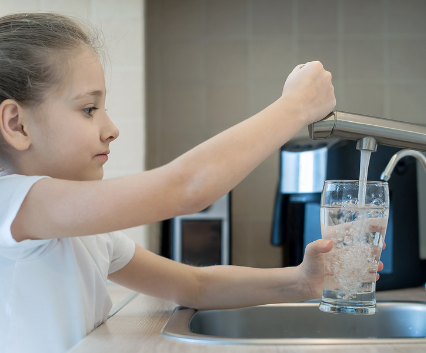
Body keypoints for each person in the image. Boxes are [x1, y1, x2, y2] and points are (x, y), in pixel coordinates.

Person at [0, 12, 384, 353]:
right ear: (16, 125)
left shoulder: (86, 232)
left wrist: (301, 281)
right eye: (88, 109)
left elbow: (195, 285)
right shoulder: (12, 202)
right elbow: (187, 188)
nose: (111, 129)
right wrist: (295, 107)